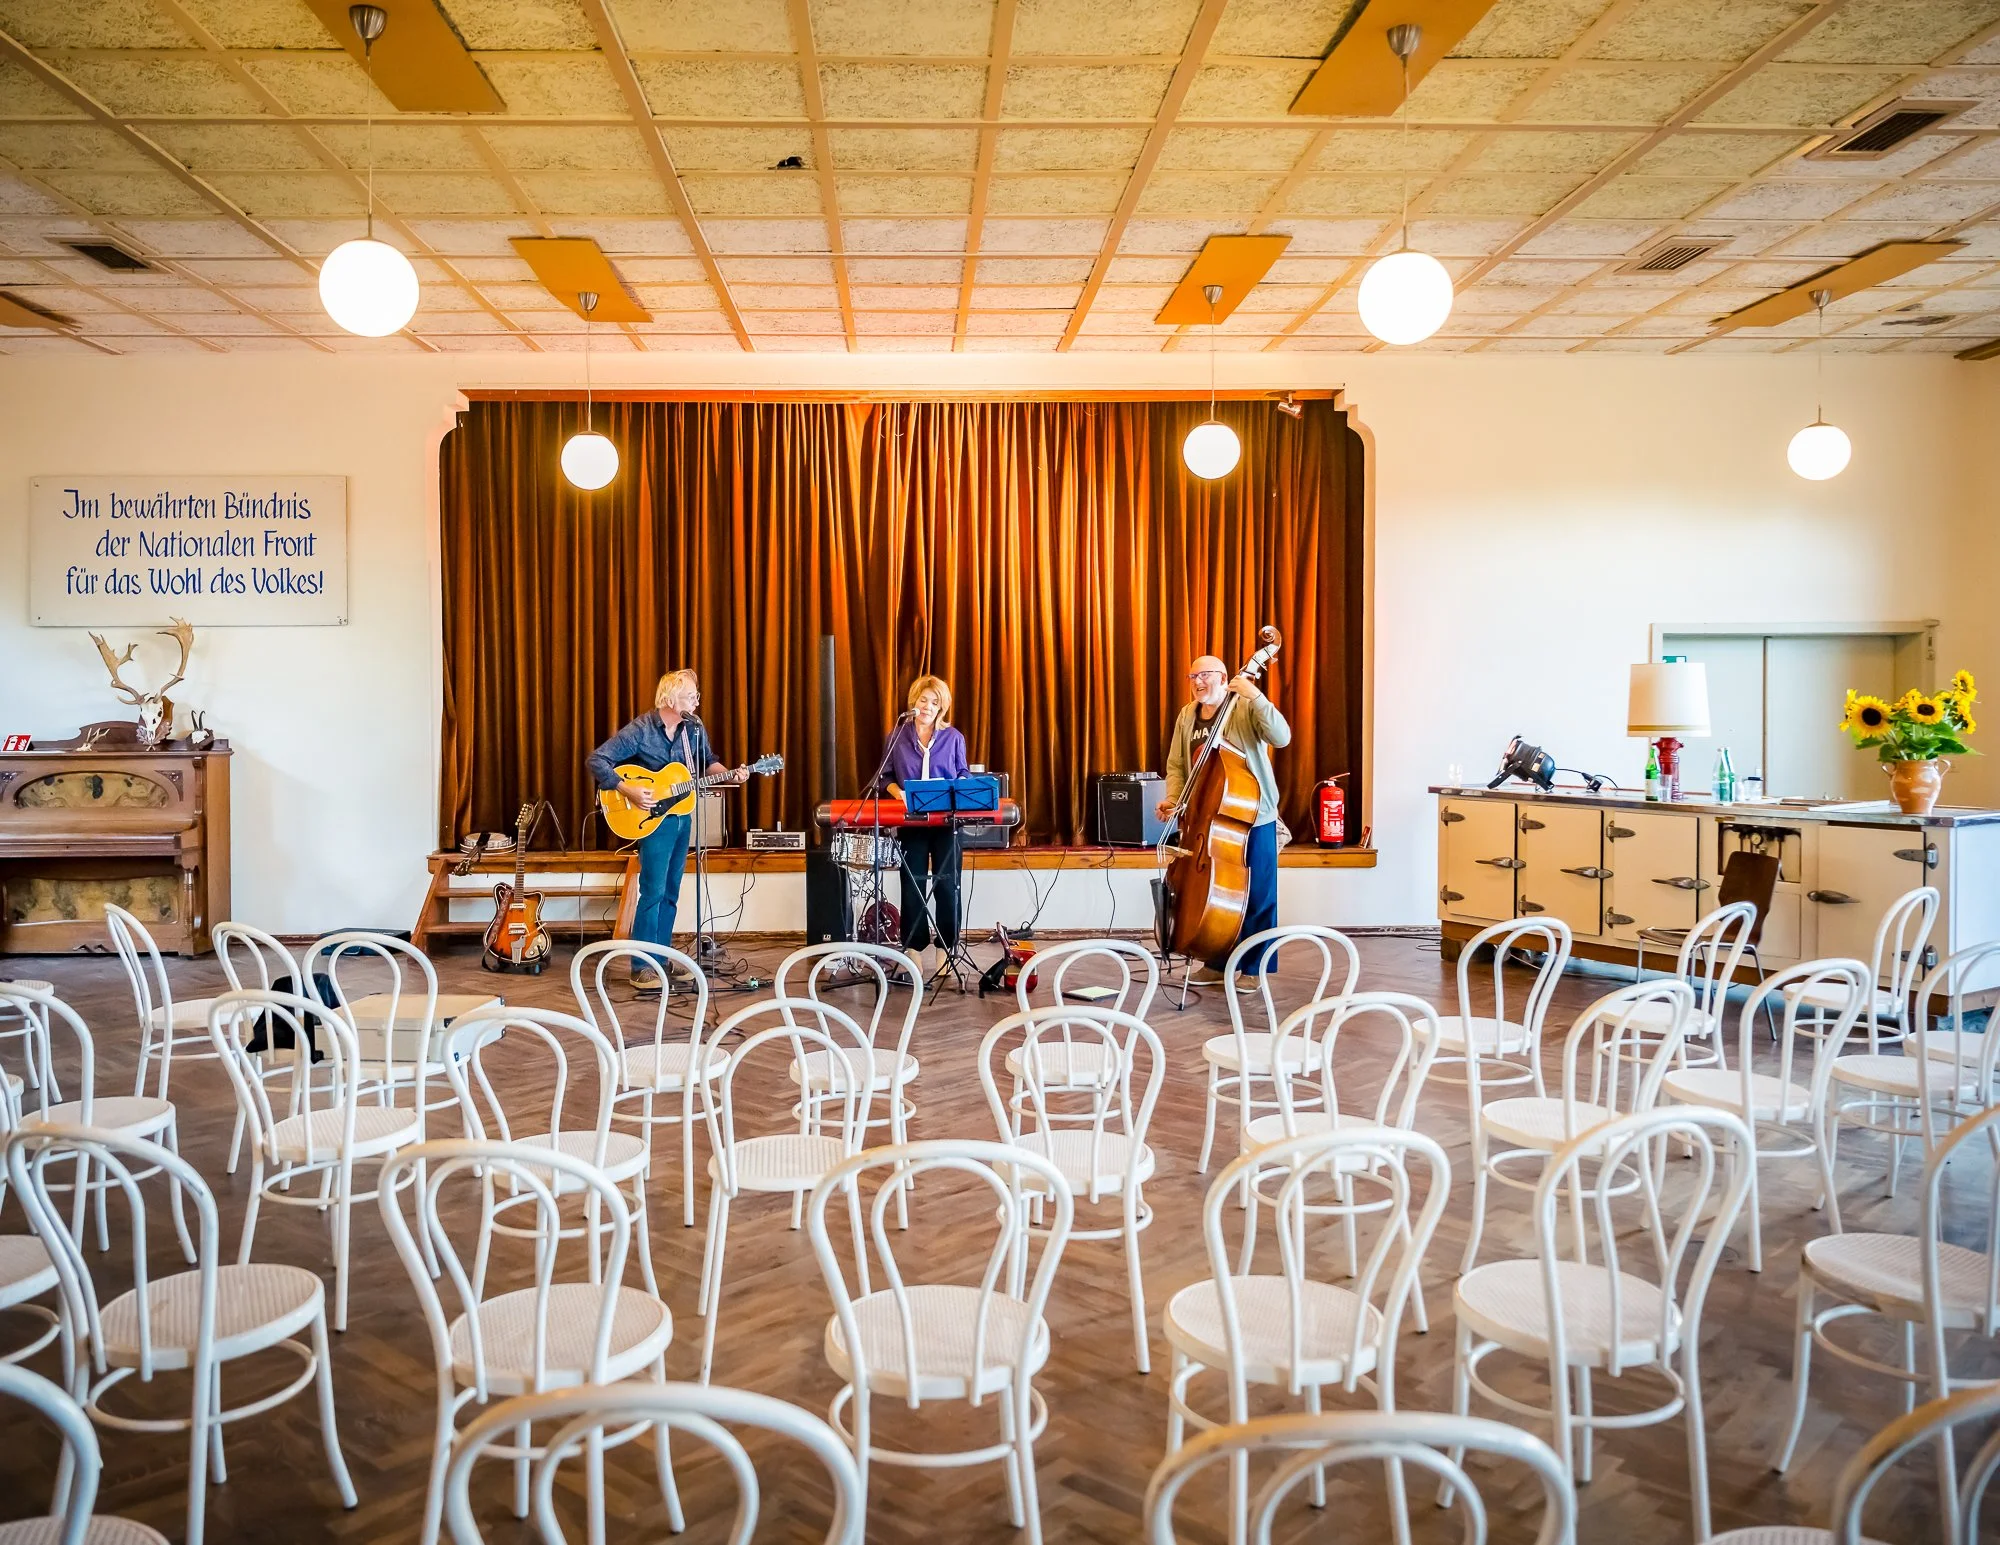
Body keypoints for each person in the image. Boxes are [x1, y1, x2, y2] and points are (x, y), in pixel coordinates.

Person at [587, 668, 747, 993]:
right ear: (671, 697)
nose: (697, 700)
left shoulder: (694, 729)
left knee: (671, 892)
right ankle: (641, 966)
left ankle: (660, 959)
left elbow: (707, 763)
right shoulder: (642, 729)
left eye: (696, 695)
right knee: (653, 892)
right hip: (653, 820)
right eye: (691, 695)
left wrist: (732, 773)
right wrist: (627, 788)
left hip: (682, 816)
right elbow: (598, 759)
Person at [1157, 654, 1292, 982]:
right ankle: (1216, 962)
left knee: (1258, 895)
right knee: (1211, 895)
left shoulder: (1244, 706)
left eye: (1205, 675)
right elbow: (1177, 764)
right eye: (1192, 677)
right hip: (1204, 818)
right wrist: (1175, 799)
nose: (1198, 682)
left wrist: (1256, 696)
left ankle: (1253, 969)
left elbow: (1281, 737)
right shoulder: (1187, 715)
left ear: (1223, 677)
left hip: (1251, 815)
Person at [882, 674, 968, 977]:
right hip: (911, 821)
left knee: (947, 886)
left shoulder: (954, 737)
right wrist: (899, 794)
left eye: (935, 702)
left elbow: (963, 774)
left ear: (942, 707)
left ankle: (947, 947)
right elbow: (886, 778)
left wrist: (961, 785)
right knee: (913, 884)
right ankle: (914, 948)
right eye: (924, 700)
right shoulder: (896, 736)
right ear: (914, 702)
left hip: (946, 823)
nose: (929, 706)